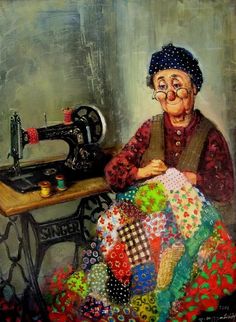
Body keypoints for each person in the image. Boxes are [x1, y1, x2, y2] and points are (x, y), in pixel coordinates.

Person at [105, 43, 234, 205]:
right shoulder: (149, 129)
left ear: (194, 87)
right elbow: (112, 172)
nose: (170, 95)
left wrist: (194, 178)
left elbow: (226, 189)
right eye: (162, 87)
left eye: (177, 85)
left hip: (192, 222)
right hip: (150, 218)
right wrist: (141, 172)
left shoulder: (209, 135)